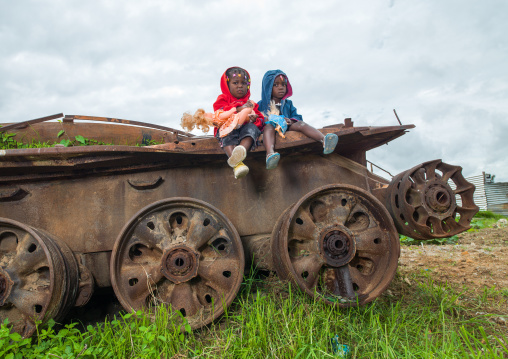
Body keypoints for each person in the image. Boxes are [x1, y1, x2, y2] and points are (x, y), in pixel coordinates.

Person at [257, 70, 339, 170]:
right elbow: (257, 119)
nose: (281, 87)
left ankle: (324, 140)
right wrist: (266, 119)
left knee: (300, 124)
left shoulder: (288, 104)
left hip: (287, 127)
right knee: (269, 126)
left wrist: (291, 121)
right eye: (276, 85)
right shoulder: (261, 104)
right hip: (271, 129)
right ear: (268, 87)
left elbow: (297, 116)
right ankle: (270, 154)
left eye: (283, 84)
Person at [211, 67, 264, 179]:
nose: (240, 86)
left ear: (248, 86)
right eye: (235, 83)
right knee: (226, 132)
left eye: (244, 83)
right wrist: (238, 108)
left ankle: (241, 150)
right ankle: (237, 164)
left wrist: (255, 120)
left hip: (244, 130)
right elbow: (220, 112)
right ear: (227, 85)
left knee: (252, 129)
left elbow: (261, 118)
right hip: (228, 128)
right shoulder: (223, 98)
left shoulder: (251, 103)